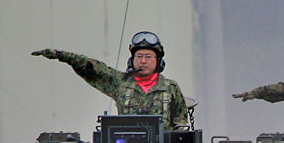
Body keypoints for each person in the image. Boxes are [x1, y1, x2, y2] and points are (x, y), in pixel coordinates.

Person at [32, 31, 189, 129]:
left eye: (148, 57)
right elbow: (91, 68)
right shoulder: (120, 82)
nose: (143, 61)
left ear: (158, 61)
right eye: (139, 56)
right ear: (132, 60)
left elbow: (180, 123)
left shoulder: (170, 87)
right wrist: (62, 56)